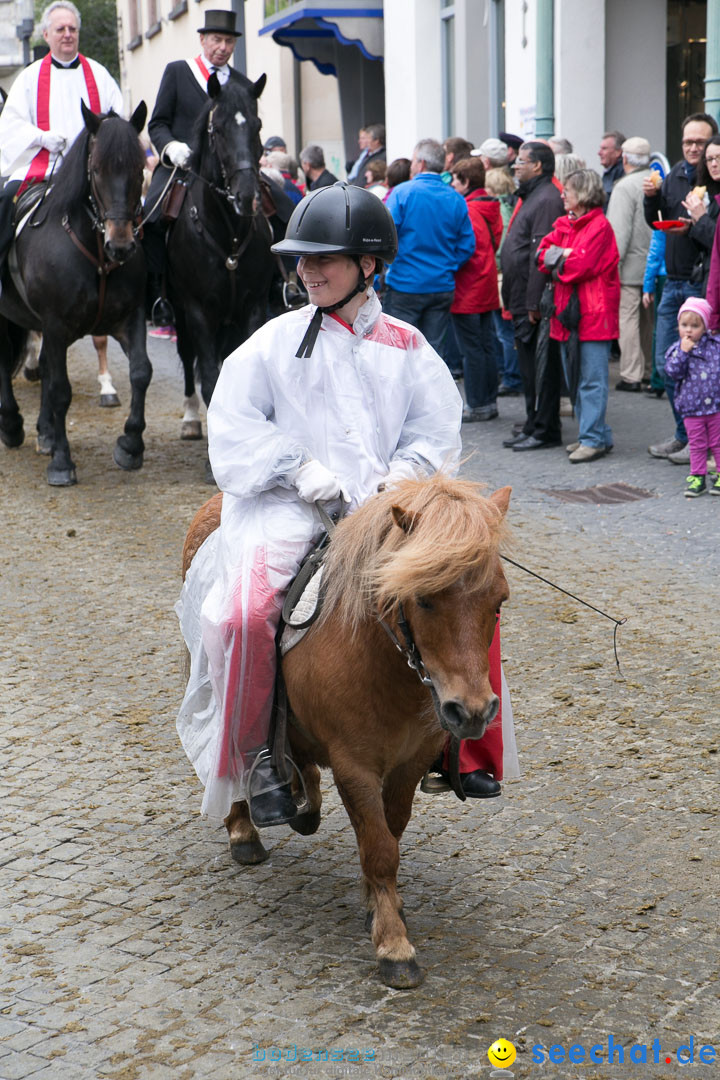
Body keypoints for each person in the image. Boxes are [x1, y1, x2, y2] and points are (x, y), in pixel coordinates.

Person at [175, 183, 512, 825]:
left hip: (389, 513)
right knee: (243, 618)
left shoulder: (411, 347)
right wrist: (298, 467)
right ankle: (258, 762)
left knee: (471, 586)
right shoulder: (271, 343)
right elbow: (236, 423)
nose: (306, 271)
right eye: (301, 260)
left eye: (321, 259)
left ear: (367, 266)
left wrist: (402, 478)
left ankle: (463, 752)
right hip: (287, 509)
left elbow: (436, 431)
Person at [0, 1, 123, 282]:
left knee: (134, 209)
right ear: (46, 35)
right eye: (60, 29)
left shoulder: (99, 75)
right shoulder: (29, 78)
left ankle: (151, 292)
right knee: (6, 199)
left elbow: (119, 122)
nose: (67, 34)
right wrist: (41, 137)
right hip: (45, 170)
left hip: (94, 173)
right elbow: (10, 124)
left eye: (72, 29)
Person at [144, 8, 250, 329]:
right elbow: (158, 122)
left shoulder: (243, 84)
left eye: (229, 41)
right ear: (202, 39)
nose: (223, 47)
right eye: (217, 39)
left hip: (230, 171)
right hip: (183, 168)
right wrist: (171, 148)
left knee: (276, 208)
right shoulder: (177, 72)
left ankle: (275, 283)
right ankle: (158, 294)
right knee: (150, 218)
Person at [643, 112, 719, 462]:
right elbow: (657, 220)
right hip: (672, 282)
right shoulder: (675, 175)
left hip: (699, 286)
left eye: (700, 143)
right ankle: (683, 433)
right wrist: (651, 198)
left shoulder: (713, 188)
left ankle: (700, 442)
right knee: (665, 363)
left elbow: (713, 240)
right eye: (688, 141)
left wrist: (697, 223)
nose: (693, 148)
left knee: (702, 370)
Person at [538, 168, 620, 463]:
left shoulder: (600, 227)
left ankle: (593, 438)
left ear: (582, 195)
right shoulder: (565, 223)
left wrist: (561, 256)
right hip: (568, 315)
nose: (562, 194)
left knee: (590, 380)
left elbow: (577, 268)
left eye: (568, 190)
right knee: (576, 379)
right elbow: (541, 254)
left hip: (593, 316)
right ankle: (597, 434)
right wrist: (566, 253)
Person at [383, 138, 475, 358]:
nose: (412, 165)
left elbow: (385, 235)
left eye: (414, 160)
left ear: (421, 163)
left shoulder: (402, 193)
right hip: (441, 284)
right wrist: (448, 265)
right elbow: (467, 245)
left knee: (398, 352)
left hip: (405, 285)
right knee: (432, 353)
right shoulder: (455, 198)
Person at [500, 141, 565, 451]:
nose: (516, 167)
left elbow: (541, 255)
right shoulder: (534, 195)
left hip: (534, 302)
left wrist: (531, 303)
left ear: (537, 165)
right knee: (529, 368)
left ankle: (545, 428)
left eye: (521, 162)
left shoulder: (547, 198)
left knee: (541, 369)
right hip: (522, 296)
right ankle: (532, 422)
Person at [449, 156, 503, 422]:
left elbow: (468, 249)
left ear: (466, 181)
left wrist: (448, 266)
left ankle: (478, 404)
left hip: (469, 286)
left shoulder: (468, 210)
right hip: (486, 284)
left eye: (455, 180)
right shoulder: (489, 206)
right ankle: (489, 401)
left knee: (472, 349)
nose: (452, 185)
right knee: (486, 345)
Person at [606, 136, 654, 392]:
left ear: (624, 158)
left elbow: (618, 234)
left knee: (629, 319)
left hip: (629, 267)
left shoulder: (624, 187)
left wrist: (612, 264)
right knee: (648, 322)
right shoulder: (655, 180)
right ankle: (647, 370)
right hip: (652, 264)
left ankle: (631, 374)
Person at [663, 298, 720, 497]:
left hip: (715, 406)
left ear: (704, 326)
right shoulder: (677, 350)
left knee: (717, 442)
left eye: (695, 326)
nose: (689, 330)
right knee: (696, 444)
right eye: (684, 325)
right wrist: (683, 353)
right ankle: (697, 477)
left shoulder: (715, 346)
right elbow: (672, 372)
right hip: (691, 409)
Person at [485, 166, 522, 395]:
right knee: (505, 330)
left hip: (501, 274)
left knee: (504, 331)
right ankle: (510, 375)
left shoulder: (499, 209)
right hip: (505, 273)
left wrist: (495, 261)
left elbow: (503, 245)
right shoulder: (508, 206)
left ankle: (511, 377)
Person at [598, 130, 626, 201]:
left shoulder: (623, 174)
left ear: (618, 152)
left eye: (604, 149)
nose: (599, 153)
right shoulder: (610, 172)